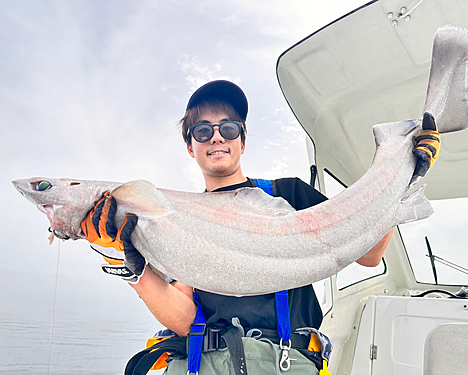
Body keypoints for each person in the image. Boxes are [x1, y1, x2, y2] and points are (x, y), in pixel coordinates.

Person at [81, 80, 440, 374]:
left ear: (242, 137)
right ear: (190, 147)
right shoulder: (176, 219)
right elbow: (183, 317)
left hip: (286, 361)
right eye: (203, 131)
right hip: (203, 363)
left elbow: (370, 255)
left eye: (228, 128)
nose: (217, 137)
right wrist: (133, 267)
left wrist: (402, 180)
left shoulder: (289, 193)